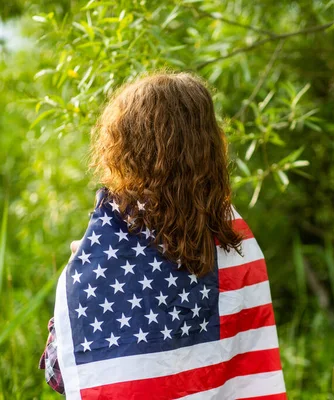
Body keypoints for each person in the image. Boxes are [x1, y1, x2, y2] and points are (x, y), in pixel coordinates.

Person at [39, 72, 286, 399]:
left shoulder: (109, 242)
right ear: (209, 143)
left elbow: (65, 374)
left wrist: (77, 277)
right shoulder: (233, 236)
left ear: (123, 146)